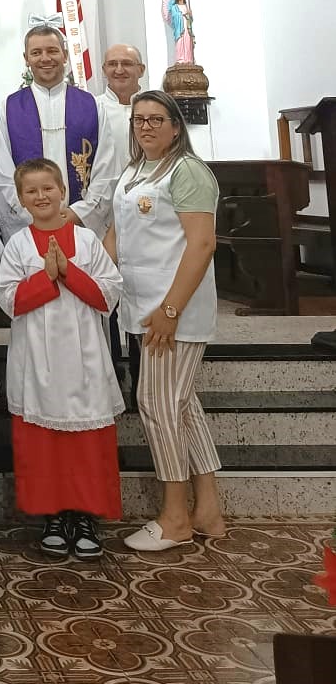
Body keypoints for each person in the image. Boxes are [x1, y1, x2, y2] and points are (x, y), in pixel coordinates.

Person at [108, 91, 225, 552]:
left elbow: (201, 245)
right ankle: (209, 509)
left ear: (177, 126)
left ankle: (175, 516)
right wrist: (88, 276)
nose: (146, 127)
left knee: (156, 403)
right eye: (139, 120)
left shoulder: (188, 171)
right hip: (142, 307)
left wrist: (171, 309)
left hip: (174, 310)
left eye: (157, 119)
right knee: (182, 405)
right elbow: (117, 236)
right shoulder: (135, 171)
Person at [0, 159, 124, 559]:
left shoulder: (86, 242)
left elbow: (108, 295)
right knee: (43, 443)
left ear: (63, 191)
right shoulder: (17, 245)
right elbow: (8, 300)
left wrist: (68, 272)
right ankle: (51, 515)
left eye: (47, 188)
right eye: (31, 191)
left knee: (85, 443)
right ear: (20, 200)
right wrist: (46, 278)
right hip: (38, 359)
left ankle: (85, 515)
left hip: (82, 358)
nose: (41, 196)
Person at [0, 24, 120, 240]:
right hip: (28, 228)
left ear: (65, 55)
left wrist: (78, 213)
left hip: (79, 227)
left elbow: (107, 170)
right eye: (36, 53)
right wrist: (34, 216)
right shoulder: (9, 109)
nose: (45, 58)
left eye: (52, 51)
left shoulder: (92, 106)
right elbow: (0, 175)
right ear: (26, 58)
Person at [98, 43, 147, 170]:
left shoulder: (156, 108)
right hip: (105, 188)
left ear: (141, 70)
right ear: (104, 70)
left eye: (127, 64)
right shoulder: (92, 108)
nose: (119, 70)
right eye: (113, 64)